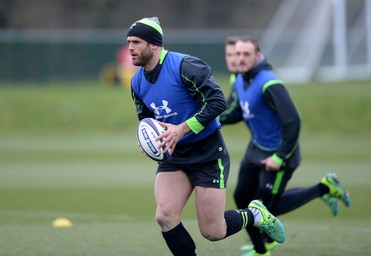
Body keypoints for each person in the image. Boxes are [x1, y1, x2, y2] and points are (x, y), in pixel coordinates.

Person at [127, 17, 286, 256]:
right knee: (165, 216)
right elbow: (147, 119)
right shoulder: (137, 82)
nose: (130, 47)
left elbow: (217, 102)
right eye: (128, 41)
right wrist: (146, 138)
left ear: (154, 44)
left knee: (213, 231)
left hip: (207, 154)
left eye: (136, 41)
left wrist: (181, 129)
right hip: (174, 156)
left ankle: (255, 214)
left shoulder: (185, 66)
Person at [219, 35, 351, 256]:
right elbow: (240, 112)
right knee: (242, 197)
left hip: (279, 155)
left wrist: (279, 157)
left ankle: (324, 188)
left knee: (263, 208)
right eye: (235, 54)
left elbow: (293, 121)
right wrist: (210, 119)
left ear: (258, 55)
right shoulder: (241, 79)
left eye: (245, 54)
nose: (239, 59)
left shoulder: (269, 83)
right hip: (256, 150)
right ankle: (261, 247)